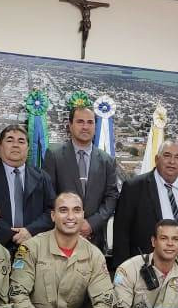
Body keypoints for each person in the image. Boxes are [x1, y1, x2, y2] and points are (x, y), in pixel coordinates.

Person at [113, 139, 178, 267]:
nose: (172, 162)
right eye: (167, 156)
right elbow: (121, 233)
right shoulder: (134, 188)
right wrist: (122, 273)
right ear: (157, 159)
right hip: (145, 271)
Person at [0, 124, 55, 255]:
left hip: (33, 246)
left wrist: (30, 231)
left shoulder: (42, 177)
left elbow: (52, 211)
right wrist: (12, 234)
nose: (15, 145)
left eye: (21, 141)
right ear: (0, 146)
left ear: (28, 148)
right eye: (9, 140)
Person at [42, 105, 120, 250]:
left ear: (95, 127)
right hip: (60, 237)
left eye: (90, 122)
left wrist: (91, 223)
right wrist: (70, 222)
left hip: (94, 239)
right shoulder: (54, 156)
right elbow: (48, 195)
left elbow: (112, 197)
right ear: (70, 125)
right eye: (80, 122)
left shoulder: (107, 160)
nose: (85, 127)